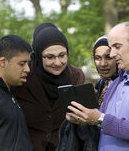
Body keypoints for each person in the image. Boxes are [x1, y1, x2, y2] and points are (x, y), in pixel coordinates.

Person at [66, 22, 129, 150]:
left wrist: (99, 119)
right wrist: (83, 121)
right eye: (111, 48)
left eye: (117, 47)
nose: (113, 54)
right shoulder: (117, 82)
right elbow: (101, 126)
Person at [14, 22, 85, 151]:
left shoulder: (76, 76)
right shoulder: (23, 75)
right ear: (38, 56)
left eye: (62, 55)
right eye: (50, 57)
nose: (57, 62)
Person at [93, 36, 118, 107]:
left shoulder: (128, 84)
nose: (103, 64)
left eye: (108, 57)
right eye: (97, 58)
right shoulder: (100, 84)